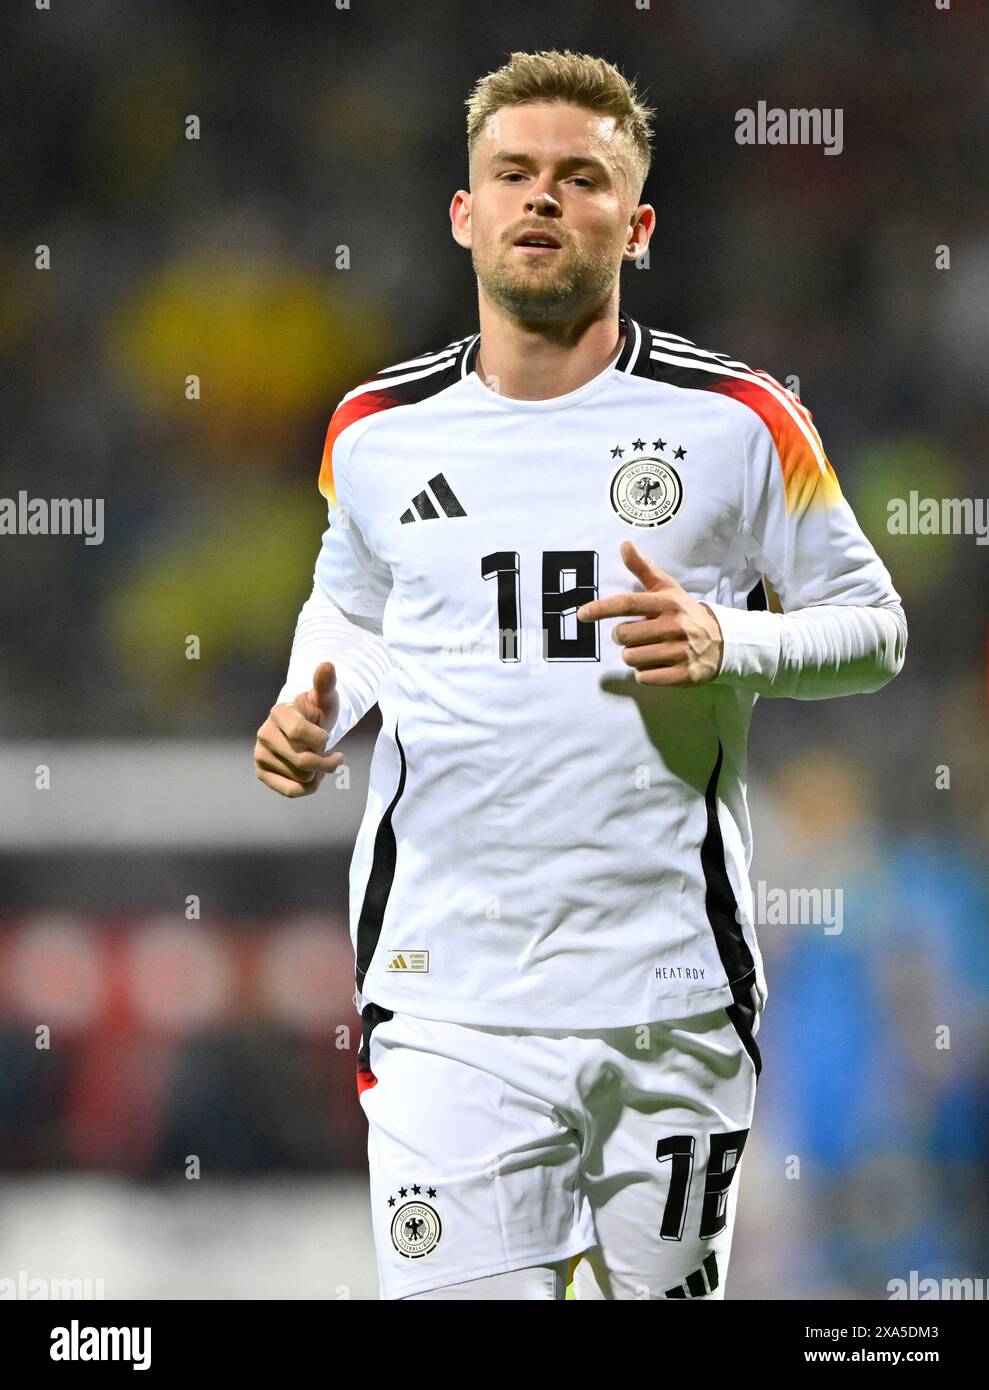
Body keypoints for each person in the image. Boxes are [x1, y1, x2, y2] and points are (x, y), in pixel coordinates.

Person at [254, 50, 907, 1300]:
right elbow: (348, 607)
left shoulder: (740, 419)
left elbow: (871, 626)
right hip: (447, 995)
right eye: (512, 174)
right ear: (464, 211)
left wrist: (735, 642)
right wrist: (314, 700)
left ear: (637, 222)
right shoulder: (374, 432)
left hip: (671, 988)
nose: (541, 199)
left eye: (578, 178)